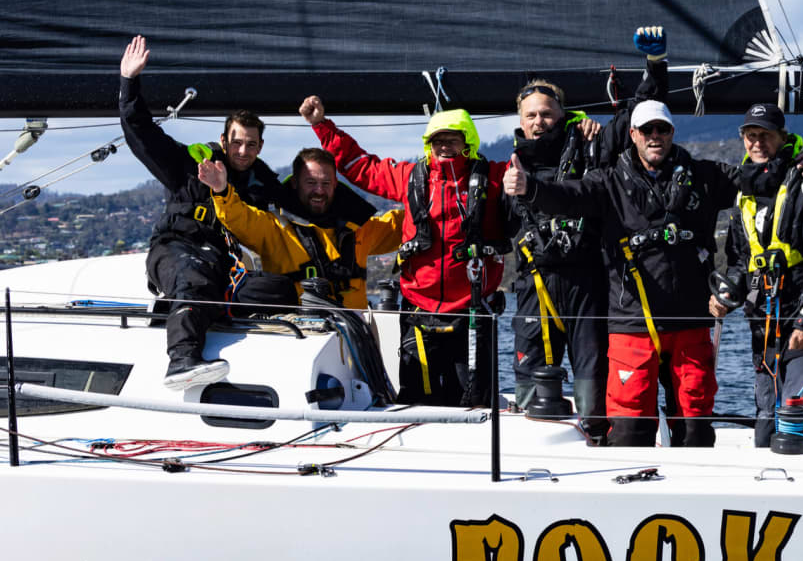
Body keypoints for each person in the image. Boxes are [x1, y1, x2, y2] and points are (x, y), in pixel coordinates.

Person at [506, 101, 803, 447]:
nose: (654, 136)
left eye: (662, 129)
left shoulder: (705, 175)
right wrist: (529, 187)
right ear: (633, 135)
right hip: (633, 324)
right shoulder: (608, 182)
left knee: (695, 424)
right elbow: (567, 195)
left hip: (689, 321)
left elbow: (761, 178)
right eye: (646, 130)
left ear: (673, 132)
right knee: (628, 426)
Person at [505, 25, 669, 444]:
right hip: (534, 285)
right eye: (531, 116)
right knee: (530, 385)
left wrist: (654, 65)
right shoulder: (502, 168)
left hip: (587, 282)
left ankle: (598, 446)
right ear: (520, 123)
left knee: (592, 382)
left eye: (547, 113)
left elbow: (641, 110)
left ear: (562, 115)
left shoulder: (592, 145)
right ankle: (528, 460)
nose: (540, 122)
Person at [301, 97, 511, 407]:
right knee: (419, 402)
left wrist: (576, 127)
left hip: (473, 312)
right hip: (419, 312)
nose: (444, 147)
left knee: (475, 401)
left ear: (468, 142)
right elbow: (361, 166)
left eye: (452, 139)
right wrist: (322, 125)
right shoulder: (410, 177)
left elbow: (537, 162)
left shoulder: (495, 177)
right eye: (437, 140)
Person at [119, 36, 296, 390]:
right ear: (223, 139)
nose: (242, 150)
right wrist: (129, 82)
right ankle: (182, 360)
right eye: (236, 141)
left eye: (250, 144)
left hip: (222, 264)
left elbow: (310, 202)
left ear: (260, 146)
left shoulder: (263, 183)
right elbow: (140, 131)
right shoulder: (189, 163)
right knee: (194, 276)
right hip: (176, 249)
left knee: (281, 289)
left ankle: (209, 316)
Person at [710, 103, 803, 448]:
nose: (757, 143)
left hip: (802, 327)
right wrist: (728, 293)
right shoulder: (744, 193)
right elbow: (741, 259)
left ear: (782, 137)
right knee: (766, 429)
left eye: (765, 136)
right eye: (751, 136)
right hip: (763, 329)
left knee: (795, 430)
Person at [198, 147, 403, 309]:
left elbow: (402, 225)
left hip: (353, 333)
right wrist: (221, 190)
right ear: (295, 183)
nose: (319, 190)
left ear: (335, 185)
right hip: (298, 333)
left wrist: (430, 194)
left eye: (325, 183)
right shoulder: (274, 227)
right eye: (311, 182)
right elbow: (239, 218)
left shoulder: (360, 227)